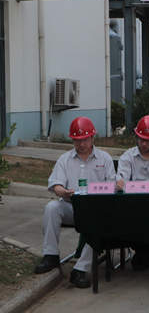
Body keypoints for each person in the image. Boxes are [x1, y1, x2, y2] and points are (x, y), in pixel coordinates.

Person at [34, 117, 115, 288]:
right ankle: (51, 255)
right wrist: (64, 192)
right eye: (77, 140)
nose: (81, 144)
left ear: (93, 137)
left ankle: (80, 270)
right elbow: (56, 186)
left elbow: (112, 186)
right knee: (51, 208)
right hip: (72, 205)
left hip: (96, 209)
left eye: (85, 139)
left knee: (100, 223)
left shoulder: (104, 158)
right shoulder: (65, 159)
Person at [115, 115, 149, 271]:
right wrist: (120, 181)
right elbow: (122, 176)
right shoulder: (128, 156)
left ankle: (148, 249)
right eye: (141, 139)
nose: (144, 143)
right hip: (135, 204)